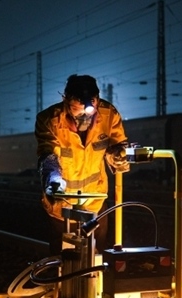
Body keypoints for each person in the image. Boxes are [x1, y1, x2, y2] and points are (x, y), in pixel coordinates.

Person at [35, 74, 129, 255]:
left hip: (95, 201)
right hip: (62, 206)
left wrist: (118, 155)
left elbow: (118, 144)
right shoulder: (49, 120)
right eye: (77, 110)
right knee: (63, 260)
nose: (83, 117)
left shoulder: (109, 115)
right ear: (66, 101)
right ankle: (60, 282)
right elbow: (47, 152)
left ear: (97, 99)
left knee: (97, 257)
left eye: (89, 110)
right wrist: (53, 178)